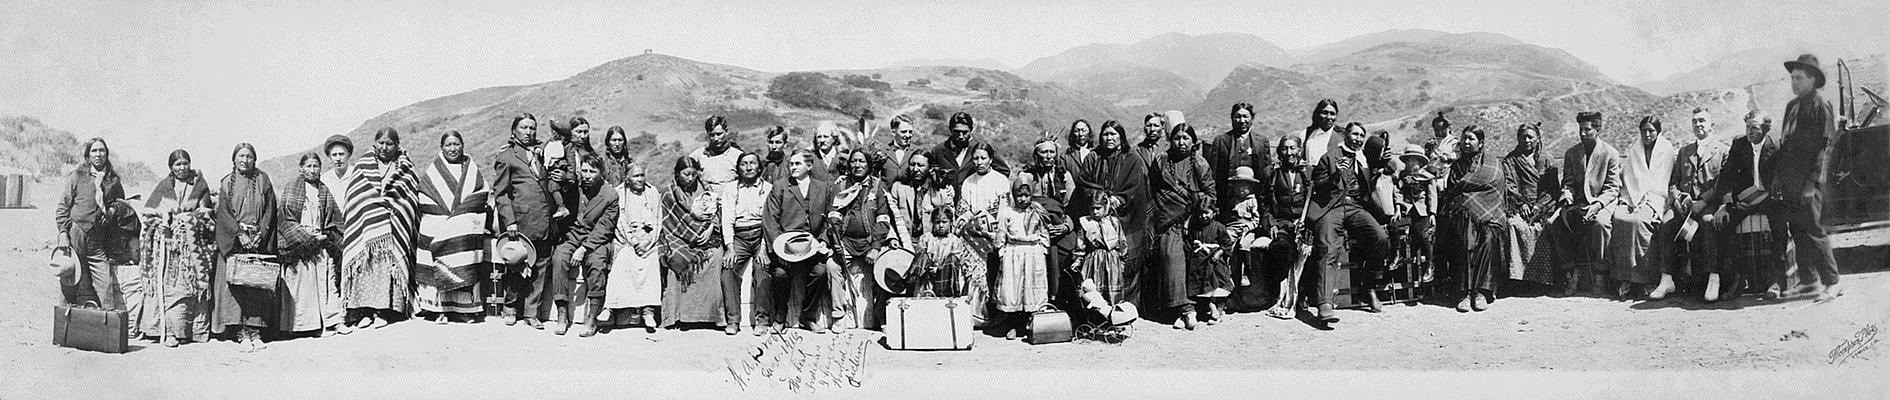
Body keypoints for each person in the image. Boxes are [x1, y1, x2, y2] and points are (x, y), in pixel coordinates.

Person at [1306, 119, 1390, 324]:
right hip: (1331, 207)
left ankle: (1368, 287)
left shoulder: (1363, 160)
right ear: (1345, 136)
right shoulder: (1329, 157)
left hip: (1354, 208)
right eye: (1354, 134)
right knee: (1328, 248)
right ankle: (1325, 303)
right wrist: (1336, 175)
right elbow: (1318, 186)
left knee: (1379, 237)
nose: (1358, 139)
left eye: (1361, 135)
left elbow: (1369, 186)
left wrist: (1380, 163)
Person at [1774, 54, 1841, 301]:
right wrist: (1779, 179)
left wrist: (1812, 183)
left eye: (1799, 78)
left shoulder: (1820, 105)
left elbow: (1825, 147)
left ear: (1813, 79)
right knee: (1798, 228)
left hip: (1809, 181)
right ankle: (1810, 280)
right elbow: (1785, 144)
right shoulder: (1792, 107)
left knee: (1813, 228)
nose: (1794, 82)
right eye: (1792, 78)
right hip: (1790, 180)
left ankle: (1832, 282)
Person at [135, 149, 217, 347]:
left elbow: (208, 214)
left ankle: (191, 332)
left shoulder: (199, 185)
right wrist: (163, 220)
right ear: (171, 167)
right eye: (177, 165)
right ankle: (168, 331)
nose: (182, 168)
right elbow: (148, 213)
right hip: (167, 248)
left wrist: (187, 219)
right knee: (168, 288)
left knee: (190, 289)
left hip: (192, 251)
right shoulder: (164, 186)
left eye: (185, 163)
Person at [340, 127, 419, 330]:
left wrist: (393, 208)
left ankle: (384, 312)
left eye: (389, 143)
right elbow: (355, 197)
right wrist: (374, 209)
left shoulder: (405, 168)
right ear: (374, 144)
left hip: (393, 231)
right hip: (366, 230)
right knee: (365, 270)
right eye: (381, 143)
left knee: (387, 271)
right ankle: (364, 312)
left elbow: (409, 199)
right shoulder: (362, 167)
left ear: (397, 145)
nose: (384, 147)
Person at [414, 131, 491, 324]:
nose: (452, 148)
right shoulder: (434, 171)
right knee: (438, 266)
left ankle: (463, 309)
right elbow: (424, 196)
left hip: (462, 228)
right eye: (448, 145)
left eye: (456, 144)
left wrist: (458, 216)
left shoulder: (471, 170)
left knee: (462, 265)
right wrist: (447, 218)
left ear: (463, 146)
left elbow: (481, 193)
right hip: (436, 225)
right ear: (441, 148)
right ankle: (439, 309)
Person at [492, 113, 560, 329]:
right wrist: (509, 221)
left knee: (540, 264)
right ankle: (510, 307)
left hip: (543, 219)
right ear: (514, 131)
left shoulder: (541, 154)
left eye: (532, 128)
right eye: (523, 128)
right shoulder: (507, 156)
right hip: (520, 220)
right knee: (516, 264)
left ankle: (532, 313)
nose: (529, 132)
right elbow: (500, 193)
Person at [211, 142, 279, 350]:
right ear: (234, 159)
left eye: (249, 156)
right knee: (236, 287)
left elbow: (270, 209)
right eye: (240, 156)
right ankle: (240, 332)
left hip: (257, 240)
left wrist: (261, 233)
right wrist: (239, 234)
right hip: (235, 241)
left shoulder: (263, 179)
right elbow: (223, 214)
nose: (245, 160)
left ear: (254, 159)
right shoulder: (226, 183)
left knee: (255, 286)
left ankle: (255, 330)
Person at [762, 150, 839, 333]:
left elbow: (831, 218)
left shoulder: (823, 187)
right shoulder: (780, 186)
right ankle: (780, 316)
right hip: (786, 246)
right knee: (780, 274)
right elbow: (770, 219)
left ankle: (808, 316)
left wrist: (823, 241)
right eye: (792, 164)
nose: (793, 167)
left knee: (820, 272)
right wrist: (779, 247)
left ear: (809, 166)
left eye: (798, 164)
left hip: (812, 245)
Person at [1079, 121, 1151, 310]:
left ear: (1121, 137)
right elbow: (1084, 183)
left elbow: (1136, 187)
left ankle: (1127, 309)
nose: (1109, 138)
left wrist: (1118, 199)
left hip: (1126, 219)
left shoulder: (1132, 159)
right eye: (1105, 134)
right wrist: (1100, 199)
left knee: (1126, 265)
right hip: (1098, 218)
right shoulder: (1093, 158)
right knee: (1098, 265)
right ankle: (1100, 310)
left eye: (1113, 134)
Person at [1150, 123, 1215, 330]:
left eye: (1186, 138)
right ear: (1171, 140)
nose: (1181, 142)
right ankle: (1185, 309)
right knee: (1171, 253)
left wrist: (1192, 209)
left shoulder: (1200, 164)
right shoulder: (1161, 161)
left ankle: (1187, 309)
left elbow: (1210, 195)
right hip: (1166, 219)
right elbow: (1153, 191)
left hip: (1196, 219)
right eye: (1177, 138)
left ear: (1193, 141)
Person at [274, 153, 346, 336]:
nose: (312, 170)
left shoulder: (324, 190)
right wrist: (307, 236)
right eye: (308, 166)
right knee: (302, 287)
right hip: (300, 246)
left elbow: (333, 218)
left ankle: (333, 322)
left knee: (328, 283)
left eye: (316, 166)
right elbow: (285, 219)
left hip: (321, 243)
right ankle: (303, 327)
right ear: (301, 169)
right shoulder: (292, 188)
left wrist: (326, 235)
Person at [1551, 111, 1622, 296]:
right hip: (1578, 203)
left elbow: (1612, 188)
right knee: (1556, 224)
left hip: (1602, 202)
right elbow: (1568, 182)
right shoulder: (1572, 153)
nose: (1583, 133)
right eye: (1580, 129)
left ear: (1597, 130)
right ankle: (1572, 271)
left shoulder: (1610, 153)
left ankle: (1600, 273)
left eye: (1587, 129)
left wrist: (1597, 205)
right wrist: (1567, 194)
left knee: (1600, 224)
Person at [1656, 108, 1724, 300]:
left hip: (1707, 206)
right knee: (1666, 223)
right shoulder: (1685, 151)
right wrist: (1677, 198)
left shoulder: (1723, 151)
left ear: (1712, 126)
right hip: (1684, 208)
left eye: (1702, 121)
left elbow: (1722, 184)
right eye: (1694, 121)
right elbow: (1674, 182)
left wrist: (1703, 201)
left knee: (1709, 222)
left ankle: (1713, 279)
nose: (1698, 124)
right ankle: (1666, 279)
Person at [1714, 109, 1781, 300]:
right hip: (1744, 199)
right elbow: (1726, 176)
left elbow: (1781, 178)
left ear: (1765, 129)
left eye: (1754, 128)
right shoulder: (1739, 144)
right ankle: (1738, 279)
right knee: (1723, 224)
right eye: (1747, 128)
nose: (1750, 132)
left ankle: (1775, 281)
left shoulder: (1776, 145)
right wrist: (1725, 204)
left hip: (1770, 199)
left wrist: (1767, 198)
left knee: (1779, 223)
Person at [54, 138, 128, 311]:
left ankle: (107, 326)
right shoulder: (77, 176)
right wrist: (63, 233)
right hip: (76, 232)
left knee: (106, 282)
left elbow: (122, 203)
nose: (98, 154)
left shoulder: (113, 180)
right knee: (70, 278)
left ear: (107, 154)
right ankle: (65, 326)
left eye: (102, 150)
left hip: (97, 237)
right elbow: (63, 206)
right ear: (88, 155)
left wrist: (111, 212)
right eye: (94, 151)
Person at [1438, 126, 1507, 312]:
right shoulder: (1457, 166)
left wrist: (1477, 208)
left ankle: (1482, 292)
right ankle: (1465, 293)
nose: (1466, 142)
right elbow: (1453, 192)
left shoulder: (1492, 164)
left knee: (1489, 238)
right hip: (1462, 213)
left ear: (1481, 143)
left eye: (1471, 139)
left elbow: (1495, 190)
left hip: (1490, 213)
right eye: (1464, 139)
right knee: (1465, 237)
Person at [1607, 116, 1677, 299]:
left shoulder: (1666, 149)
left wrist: (1645, 199)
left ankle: (1648, 278)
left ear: (1658, 132)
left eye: (1651, 131)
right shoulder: (1636, 149)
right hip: (1632, 195)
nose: (1647, 134)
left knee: (1641, 221)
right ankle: (1626, 278)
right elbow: (1629, 176)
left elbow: (1663, 179)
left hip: (1656, 197)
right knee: (1620, 218)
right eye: (1644, 131)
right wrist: (1633, 199)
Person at [660, 156, 728, 330]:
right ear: (677, 173)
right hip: (679, 239)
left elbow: (718, 212)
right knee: (676, 260)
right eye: (686, 174)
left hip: (707, 237)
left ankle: (714, 316)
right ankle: (677, 316)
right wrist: (690, 235)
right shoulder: (669, 193)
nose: (690, 178)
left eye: (693, 174)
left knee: (716, 256)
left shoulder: (707, 189)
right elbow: (669, 222)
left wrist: (711, 227)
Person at [553, 154, 618, 337]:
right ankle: (562, 312)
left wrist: (584, 249)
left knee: (597, 265)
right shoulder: (575, 186)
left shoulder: (610, 195)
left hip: (596, 239)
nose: (587, 175)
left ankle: (592, 317)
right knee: (559, 258)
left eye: (592, 171)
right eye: (585, 170)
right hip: (573, 234)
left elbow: (604, 228)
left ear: (601, 172)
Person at [829, 149, 892, 331]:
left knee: (884, 269)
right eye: (854, 161)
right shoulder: (840, 186)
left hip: (870, 242)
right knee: (832, 267)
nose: (857, 165)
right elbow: (834, 214)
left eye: (862, 161)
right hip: (846, 242)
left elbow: (883, 219)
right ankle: (839, 316)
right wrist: (836, 240)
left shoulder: (878, 187)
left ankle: (881, 317)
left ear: (869, 165)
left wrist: (876, 246)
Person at [603, 162, 663, 333]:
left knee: (651, 260)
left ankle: (648, 311)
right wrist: (634, 241)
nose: (640, 179)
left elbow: (658, 219)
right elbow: (619, 222)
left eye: (642, 175)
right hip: (625, 240)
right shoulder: (619, 193)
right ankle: (610, 307)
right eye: (636, 176)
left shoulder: (652, 192)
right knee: (623, 260)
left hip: (648, 242)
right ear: (627, 178)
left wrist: (649, 241)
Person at [1260, 135, 1312, 319]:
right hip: (1281, 224)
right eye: (1284, 149)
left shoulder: (1308, 172)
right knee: (1281, 249)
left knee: (1311, 250)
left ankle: (1304, 294)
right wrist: (1270, 224)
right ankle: (1280, 294)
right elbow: (1264, 203)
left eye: (1293, 148)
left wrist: (1307, 221)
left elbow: (1314, 200)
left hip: (1304, 224)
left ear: (1299, 150)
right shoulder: (1271, 173)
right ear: (1279, 152)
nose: (1289, 153)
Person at [721, 152, 773, 335]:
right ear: (738, 168)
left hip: (761, 235)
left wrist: (765, 249)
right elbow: (727, 220)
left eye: (753, 163)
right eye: (744, 164)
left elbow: (770, 221)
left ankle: (762, 320)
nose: (749, 167)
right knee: (728, 271)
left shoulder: (768, 188)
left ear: (759, 168)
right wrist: (730, 247)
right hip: (739, 236)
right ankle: (733, 320)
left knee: (763, 270)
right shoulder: (730, 189)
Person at [993, 177, 1050, 339]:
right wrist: (1002, 253)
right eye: (1019, 195)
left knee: (1032, 290)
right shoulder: (1007, 212)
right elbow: (1001, 234)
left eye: (1026, 195)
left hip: (1033, 253)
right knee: (1013, 290)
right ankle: (1014, 325)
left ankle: (1030, 324)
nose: (1023, 199)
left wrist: (1042, 251)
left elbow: (1045, 234)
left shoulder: (1037, 212)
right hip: (1014, 253)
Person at [1501, 123, 1558, 285]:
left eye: (1530, 137)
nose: (1526, 140)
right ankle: (1518, 279)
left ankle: (1542, 281)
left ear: (1538, 139)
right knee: (1514, 226)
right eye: (1522, 137)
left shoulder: (1546, 159)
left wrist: (1539, 206)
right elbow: (1509, 186)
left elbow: (1552, 188)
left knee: (1545, 227)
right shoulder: (1510, 160)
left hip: (1543, 207)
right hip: (1519, 205)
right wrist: (1522, 204)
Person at [1206, 103, 1274, 220]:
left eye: (1245, 116)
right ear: (1232, 118)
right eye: (1238, 116)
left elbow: (1267, 173)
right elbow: (1213, 173)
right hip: (1227, 199)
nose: (1242, 120)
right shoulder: (1221, 141)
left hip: (1255, 200)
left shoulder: (1262, 142)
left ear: (1252, 119)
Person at [929, 112, 1011, 186]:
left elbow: (1004, 171)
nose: (961, 136)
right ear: (950, 130)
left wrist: (986, 188)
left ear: (971, 130)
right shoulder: (938, 150)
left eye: (965, 132)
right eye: (957, 132)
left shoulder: (981, 149)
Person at [1186, 207, 1233, 325]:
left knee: (1219, 284)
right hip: (1201, 260)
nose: (1203, 216)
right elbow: (1190, 243)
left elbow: (1227, 243)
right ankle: (1212, 308)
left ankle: (1219, 310)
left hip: (1215, 260)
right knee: (1204, 285)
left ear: (1214, 212)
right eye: (1200, 213)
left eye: (1206, 213)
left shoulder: (1219, 227)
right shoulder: (1196, 228)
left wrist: (1218, 253)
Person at [693, 115, 745, 191]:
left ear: (726, 131)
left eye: (719, 134)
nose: (716, 138)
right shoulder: (698, 155)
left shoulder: (738, 156)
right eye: (712, 135)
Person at [880, 116, 922, 183]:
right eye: (903, 132)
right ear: (893, 132)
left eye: (910, 132)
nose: (908, 135)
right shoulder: (882, 151)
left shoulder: (917, 152)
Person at [1302, 100, 1343, 167]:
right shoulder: (1307, 134)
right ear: (1318, 114)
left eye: (1332, 114)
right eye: (1325, 113)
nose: (1328, 117)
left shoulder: (1342, 136)